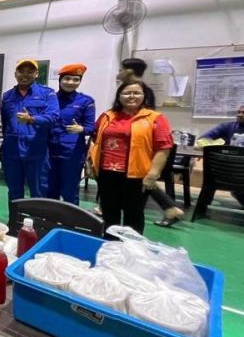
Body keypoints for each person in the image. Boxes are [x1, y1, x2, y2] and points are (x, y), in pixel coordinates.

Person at [88, 81, 173, 236]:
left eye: (136, 93)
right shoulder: (107, 116)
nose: (131, 96)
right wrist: (91, 163)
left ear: (144, 96)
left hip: (137, 175)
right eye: (127, 93)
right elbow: (95, 139)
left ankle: (132, 247)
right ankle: (110, 244)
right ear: (119, 96)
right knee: (109, 213)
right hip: (106, 173)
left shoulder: (155, 118)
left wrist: (153, 173)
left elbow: (164, 147)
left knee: (133, 215)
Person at [113, 58, 186, 226]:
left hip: (138, 147)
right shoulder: (137, 89)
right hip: (129, 148)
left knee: (140, 179)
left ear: (130, 71)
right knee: (137, 179)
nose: (119, 73)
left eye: (121, 70)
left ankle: (170, 207)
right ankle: (170, 207)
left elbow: (145, 122)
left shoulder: (141, 91)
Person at [0, 59, 59, 200]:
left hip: (36, 150)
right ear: (15, 74)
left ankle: (37, 216)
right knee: (14, 192)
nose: (25, 75)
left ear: (36, 74)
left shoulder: (47, 94)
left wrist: (32, 119)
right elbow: (5, 122)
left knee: (38, 192)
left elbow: (53, 117)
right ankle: (15, 216)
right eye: (21, 71)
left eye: (30, 71)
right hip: (12, 150)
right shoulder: (7, 96)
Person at [47, 64, 96, 205]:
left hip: (72, 153)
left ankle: (71, 219)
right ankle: (49, 217)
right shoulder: (50, 99)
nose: (70, 82)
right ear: (60, 80)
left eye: (76, 79)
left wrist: (81, 129)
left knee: (70, 191)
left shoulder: (86, 101)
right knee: (49, 190)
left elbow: (91, 127)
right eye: (67, 78)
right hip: (49, 151)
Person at [195, 104, 244, 209]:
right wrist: (217, 145)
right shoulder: (227, 127)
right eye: (239, 112)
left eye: (243, 113)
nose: (240, 115)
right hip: (225, 172)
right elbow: (203, 139)